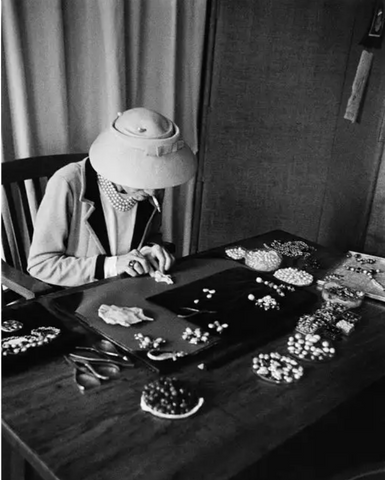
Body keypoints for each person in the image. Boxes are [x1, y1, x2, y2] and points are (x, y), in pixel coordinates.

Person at [27, 107, 197, 287]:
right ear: (118, 164)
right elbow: (41, 265)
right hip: (79, 295)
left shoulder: (152, 185)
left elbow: (151, 234)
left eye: (158, 184)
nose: (153, 193)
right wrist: (112, 265)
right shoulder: (67, 183)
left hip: (130, 287)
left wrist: (151, 247)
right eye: (143, 181)